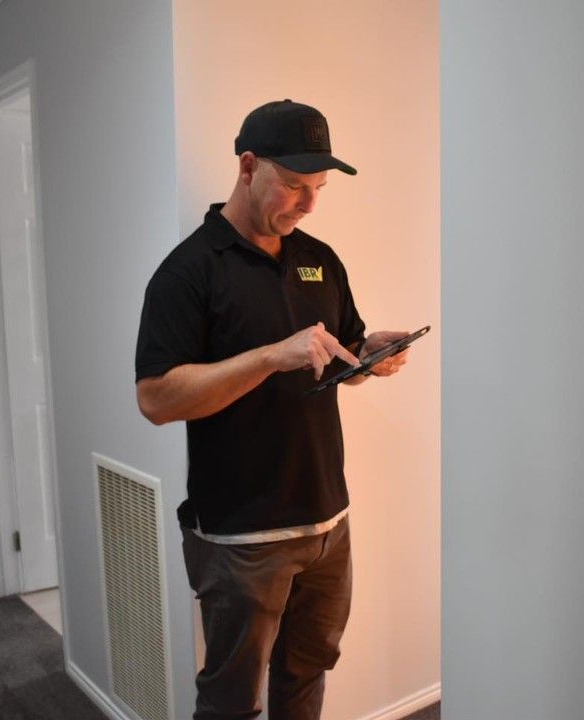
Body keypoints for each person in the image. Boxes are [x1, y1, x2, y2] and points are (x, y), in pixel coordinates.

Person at [134, 99, 409, 720]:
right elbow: (154, 399)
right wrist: (268, 357)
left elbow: (337, 356)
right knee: (231, 701)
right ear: (248, 166)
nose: (308, 204)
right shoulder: (188, 273)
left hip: (326, 521)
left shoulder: (321, 258)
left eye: (318, 188)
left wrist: (368, 355)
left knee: (307, 675)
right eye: (292, 186)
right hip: (241, 535)